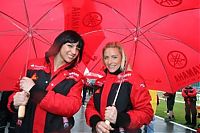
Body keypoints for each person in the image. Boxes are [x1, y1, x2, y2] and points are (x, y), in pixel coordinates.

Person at [7, 30, 85, 133]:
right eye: (70, 46)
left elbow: (71, 106)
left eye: (77, 48)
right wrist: (15, 102)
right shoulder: (32, 65)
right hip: (25, 128)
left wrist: (34, 90)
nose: (74, 52)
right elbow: (15, 92)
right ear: (59, 44)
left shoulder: (77, 77)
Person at [85, 42, 153, 133]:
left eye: (114, 57)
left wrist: (120, 118)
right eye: (106, 57)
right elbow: (91, 107)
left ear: (122, 58)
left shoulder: (134, 80)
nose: (109, 62)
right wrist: (96, 122)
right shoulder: (100, 82)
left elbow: (147, 113)